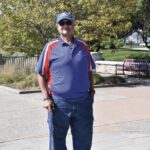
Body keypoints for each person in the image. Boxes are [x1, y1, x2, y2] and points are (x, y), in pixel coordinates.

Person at [35, 12, 96, 150]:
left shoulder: (83, 46)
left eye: (68, 23)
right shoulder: (50, 47)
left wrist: (91, 92)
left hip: (83, 103)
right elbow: (41, 73)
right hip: (59, 103)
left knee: (84, 142)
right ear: (57, 27)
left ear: (73, 25)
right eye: (62, 23)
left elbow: (89, 71)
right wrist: (46, 98)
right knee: (57, 143)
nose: (65, 26)